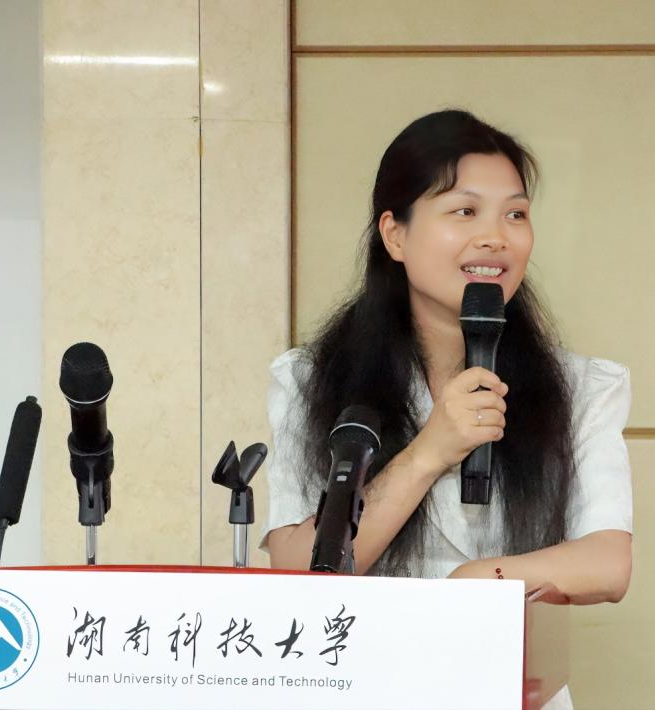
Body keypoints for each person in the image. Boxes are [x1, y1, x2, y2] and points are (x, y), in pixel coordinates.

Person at [261, 109, 633, 706]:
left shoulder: (581, 386)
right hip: (366, 689)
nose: (495, 237)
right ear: (395, 235)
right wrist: (428, 452)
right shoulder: (311, 379)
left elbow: (607, 563)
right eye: (465, 211)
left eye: (515, 214)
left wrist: (472, 585)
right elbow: (295, 571)